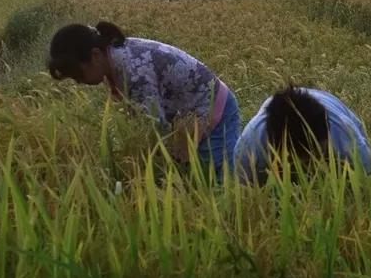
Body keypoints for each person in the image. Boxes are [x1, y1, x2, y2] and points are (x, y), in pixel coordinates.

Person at [48, 22, 239, 178]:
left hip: (213, 112)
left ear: (95, 55)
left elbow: (156, 133)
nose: (79, 82)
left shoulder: (133, 72)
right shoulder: (113, 60)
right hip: (188, 120)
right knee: (191, 178)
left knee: (216, 184)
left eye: (77, 74)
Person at [233, 84, 371, 182]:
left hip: (332, 108)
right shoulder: (249, 147)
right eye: (304, 162)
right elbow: (245, 196)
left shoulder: (344, 134)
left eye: (318, 155)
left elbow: (370, 183)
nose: (312, 169)